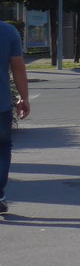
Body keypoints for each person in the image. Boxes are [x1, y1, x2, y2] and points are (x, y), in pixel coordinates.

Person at [1, 20, 31, 214]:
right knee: (2, 148)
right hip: (1, 104)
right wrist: (24, 97)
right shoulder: (8, 31)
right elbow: (18, 67)